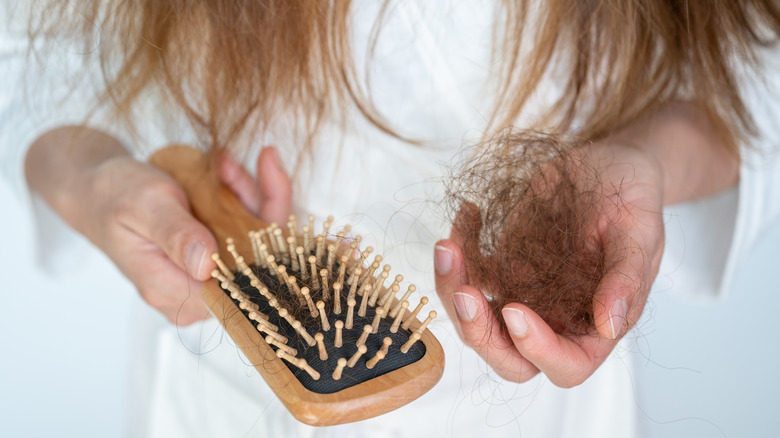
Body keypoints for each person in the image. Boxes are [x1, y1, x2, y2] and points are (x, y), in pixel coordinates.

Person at [3, 1, 780, 437]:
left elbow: (752, 71)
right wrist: (91, 176)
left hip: (538, 414)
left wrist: (646, 156)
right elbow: (33, 52)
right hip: (229, 397)